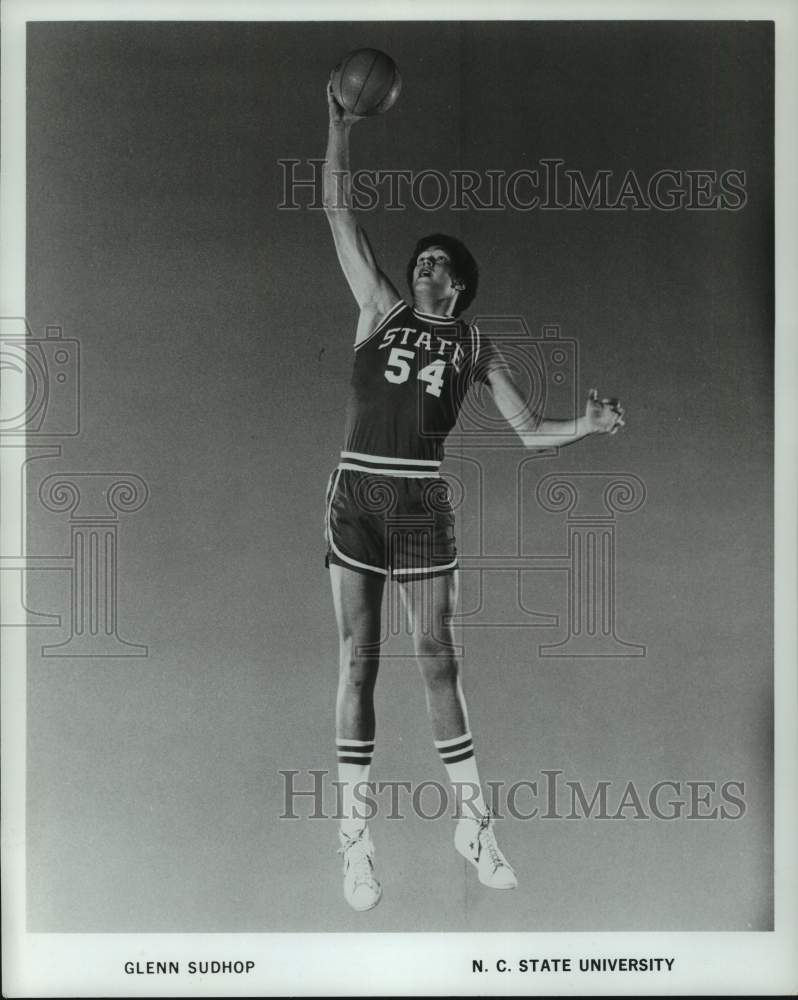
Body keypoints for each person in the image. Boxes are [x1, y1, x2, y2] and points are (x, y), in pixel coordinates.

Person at [322, 80, 625, 912]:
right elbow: (340, 215)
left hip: (422, 503)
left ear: (458, 285)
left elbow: (527, 433)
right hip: (358, 491)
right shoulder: (378, 308)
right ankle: (354, 835)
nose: (421, 266)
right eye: (417, 258)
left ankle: (474, 822)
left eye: (436, 263)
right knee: (358, 661)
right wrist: (339, 126)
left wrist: (589, 428)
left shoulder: (479, 345)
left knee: (440, 658)